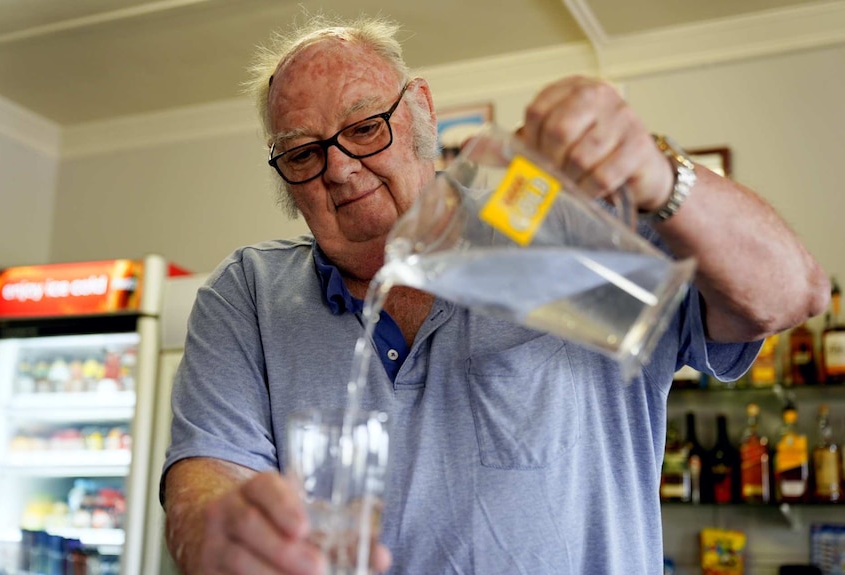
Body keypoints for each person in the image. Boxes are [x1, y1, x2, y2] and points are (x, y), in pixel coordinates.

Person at [161, 13, 830, 575]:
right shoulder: (248, 293)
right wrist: (216, 531)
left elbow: (791, 292)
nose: (339, 166)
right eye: (304, 152)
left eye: (365, 128)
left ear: (420, 110)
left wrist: (660, 175)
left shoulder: (557, 240)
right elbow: (207, 481)